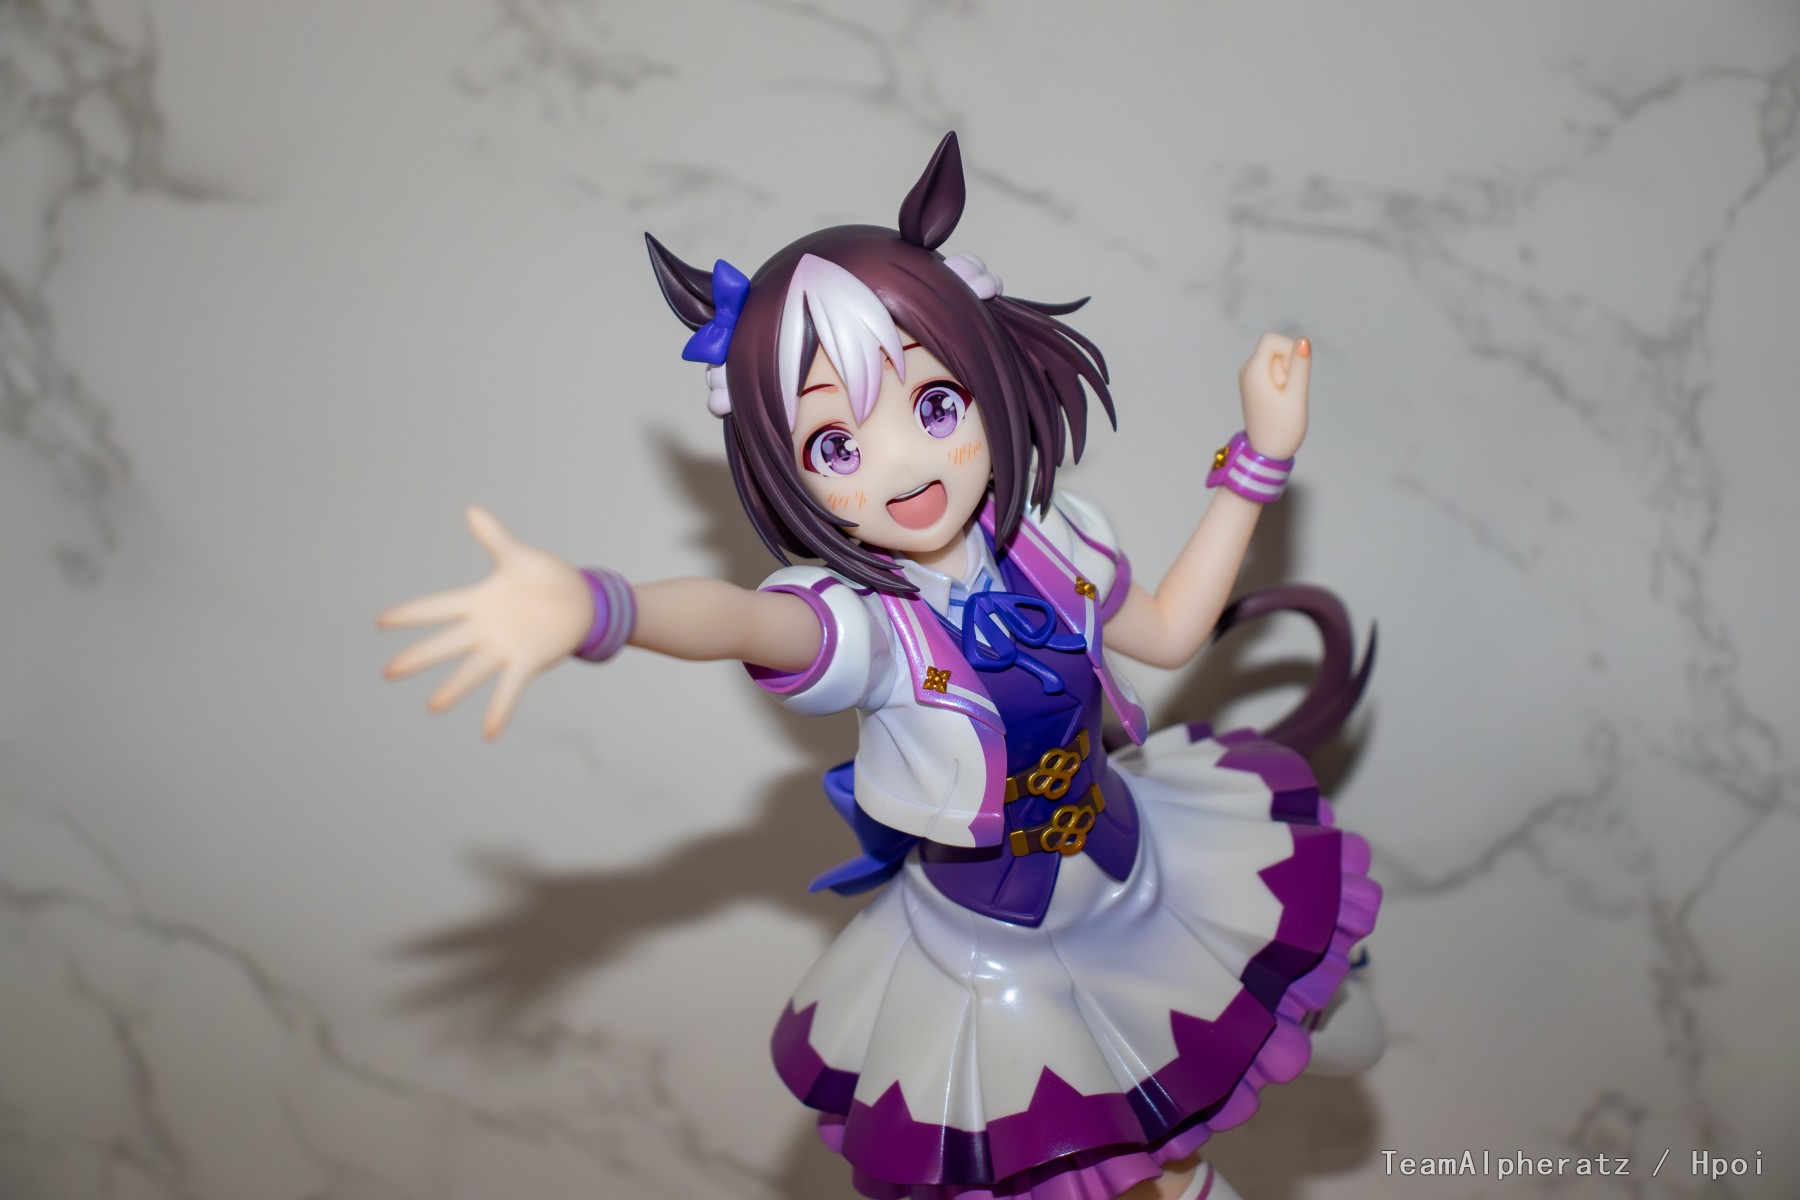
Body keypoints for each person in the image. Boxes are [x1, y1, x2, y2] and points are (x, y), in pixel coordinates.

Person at [381, 132, 1381, 1200]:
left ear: (986, 378)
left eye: (934, 405)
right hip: (999, 955)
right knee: (1135, 1175)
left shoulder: (1057, 538)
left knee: (1344, 1031)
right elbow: (736, 620)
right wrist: (600, 608)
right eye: (837, 446)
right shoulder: (862, 628)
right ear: (789, 475)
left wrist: (1261, 453)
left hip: (1139, 868)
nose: (902, 465)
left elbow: (1174, 632)